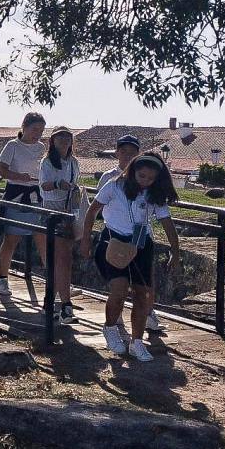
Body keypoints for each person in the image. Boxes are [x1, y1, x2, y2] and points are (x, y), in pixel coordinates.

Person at [79, 153, 182, 362]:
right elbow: (92, 211)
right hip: (113, 241)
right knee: (119, 290)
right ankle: (110, 328)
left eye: (150, 178)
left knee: (142, 293)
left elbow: (166, 221)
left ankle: (137, 341)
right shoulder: (114, 186)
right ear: (133, 171)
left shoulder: (154, 194)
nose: (145, 181)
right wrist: (86, 240)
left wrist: (175, 250)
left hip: (140, 244)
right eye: (141, 176)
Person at [97, 134, 163, 334]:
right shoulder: (111, 179)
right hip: (117, 234)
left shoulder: (147, 180)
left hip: (140, 235)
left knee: (143, 281)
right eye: (123, 151)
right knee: (119, 281)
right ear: (117, 153)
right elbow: (99, 206)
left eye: (132, 152)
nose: (127, 155)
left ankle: (147, 314)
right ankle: (114, 320)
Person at [0, 112, 49, 296]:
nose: (37, 134)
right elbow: (2, 170)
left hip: (36, 196)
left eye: (41, 131)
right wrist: (19, 176)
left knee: (42, 238)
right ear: (24, 127)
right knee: (11, 239)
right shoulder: (12, 145)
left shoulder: (42, 147)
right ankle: (3, 278)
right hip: (16, 195)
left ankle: (53, 281)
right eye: (34, 129)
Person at [40, 126, 82, 324]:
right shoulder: (47, 161)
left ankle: (52, 302)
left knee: (64, 259)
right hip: (53, 210)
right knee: (62, 259)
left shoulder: (74, 162)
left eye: (67, 137)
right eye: (60, 137)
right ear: (53, 141)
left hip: (68, 210)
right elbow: (44, 185)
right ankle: (64, 304)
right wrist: (59, 184)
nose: (64, 140)